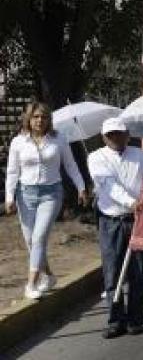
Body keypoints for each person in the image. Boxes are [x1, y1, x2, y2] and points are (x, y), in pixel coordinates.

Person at [5, 102, 88, 300]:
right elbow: (12, 171)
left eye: (43, 117)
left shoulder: (58, 139)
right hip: (25, 195)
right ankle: (49, 276)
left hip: (51, 194)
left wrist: (81, 186)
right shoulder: (18, 142)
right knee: (31, 242)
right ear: (29, 119)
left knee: (39, 237)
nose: (40, 120)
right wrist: (9, 197)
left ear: (49, 120)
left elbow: (70, 164)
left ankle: (31, 283)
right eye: (36, 117)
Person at [88, 118, 143, 339]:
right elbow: (108, 185)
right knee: (112, 273)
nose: (115, 138)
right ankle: (115, 320)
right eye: (110, 134)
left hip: (137, 220)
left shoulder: (140, 155)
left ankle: (135, 319)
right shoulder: (95, 157)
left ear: (127, 135)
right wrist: (130, 202)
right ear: (104, 137)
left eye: (119, 133)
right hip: (110, 221)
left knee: (138, 272)